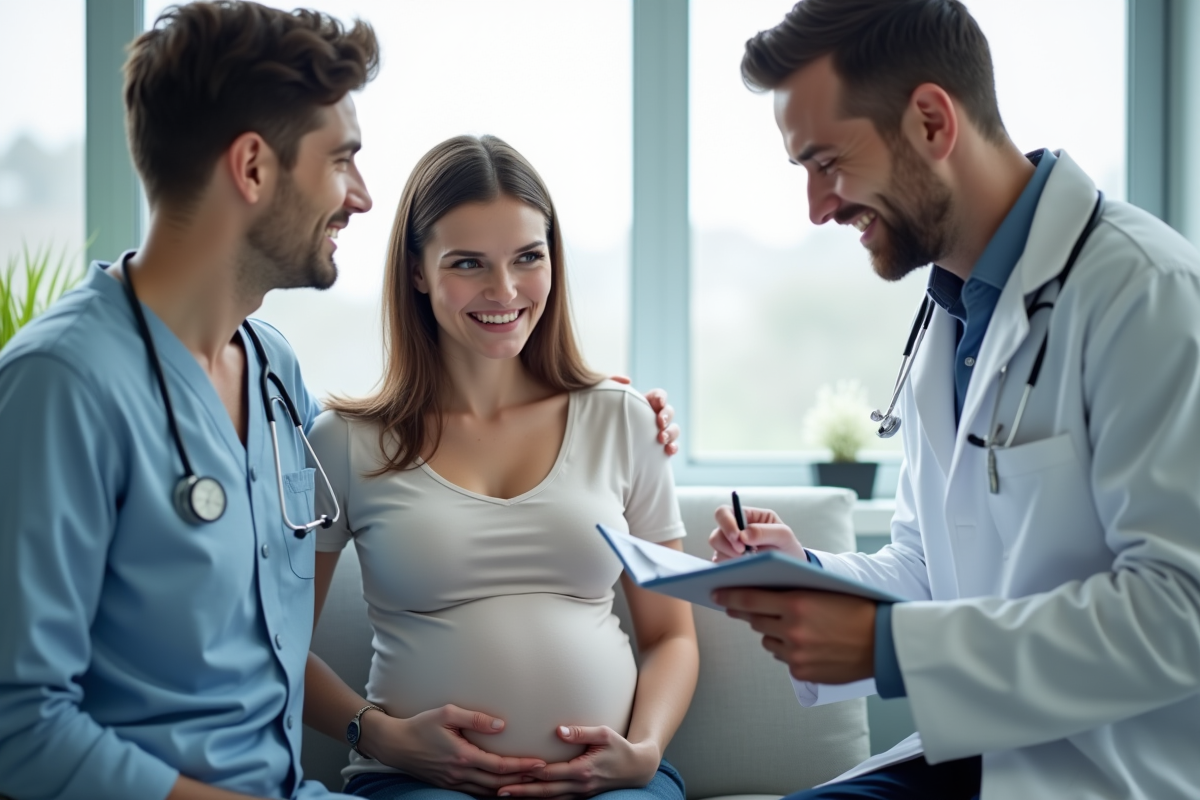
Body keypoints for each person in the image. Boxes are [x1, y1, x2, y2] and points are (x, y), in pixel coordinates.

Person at [0, 4, 684, 799]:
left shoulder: (271, 373)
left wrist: (604, 415)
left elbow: (274, 633)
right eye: (342, 161)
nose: (362, 198)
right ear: (253, 168)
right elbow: (20, 727)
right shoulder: (59, 386)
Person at [707, 1, 1200, 798]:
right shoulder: (955, 309)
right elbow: (936, 566)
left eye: (826, 161)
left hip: (1113, 771)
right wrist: (813, 576)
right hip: (981, 761)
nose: (817, 206)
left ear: (933, 122)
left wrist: (891, 647)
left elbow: (1183, 613)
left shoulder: (1147, 292)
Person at [301, 135, 700, 800]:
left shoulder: (623, 419)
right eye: (468, 263)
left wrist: (646, 751)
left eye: (527, 258)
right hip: (413, 782)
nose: (504, 289)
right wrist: (381, 736)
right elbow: (277, 647)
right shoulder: (344, 441)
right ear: (417, 271)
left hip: (609, 787)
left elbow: (670, 636)